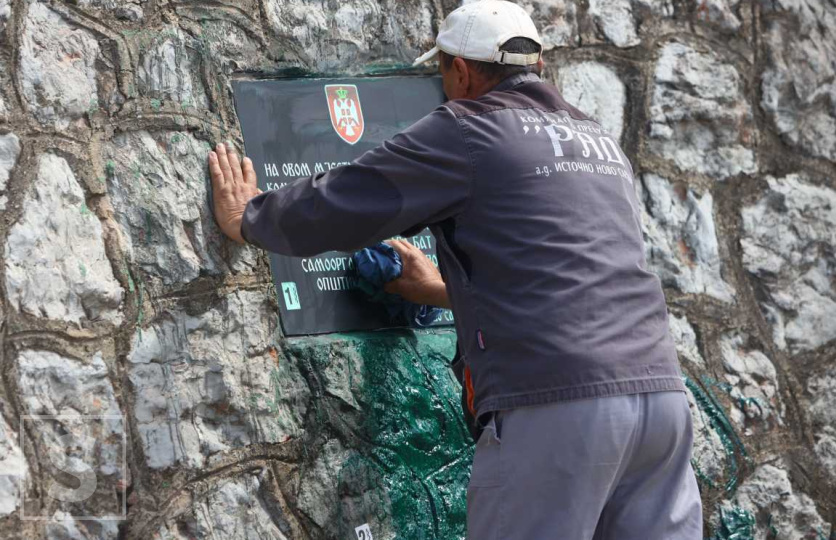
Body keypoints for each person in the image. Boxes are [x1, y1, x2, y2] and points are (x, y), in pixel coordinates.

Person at [207, 1, 703, 538]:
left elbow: (350, 200)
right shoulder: (598, 140)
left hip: (557, 403)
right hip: (661, 404)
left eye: (442, 75)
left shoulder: (471, 128)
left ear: (461, 72)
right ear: (536, 65)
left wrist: (250, 218)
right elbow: (572, 275)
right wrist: (444, 290)